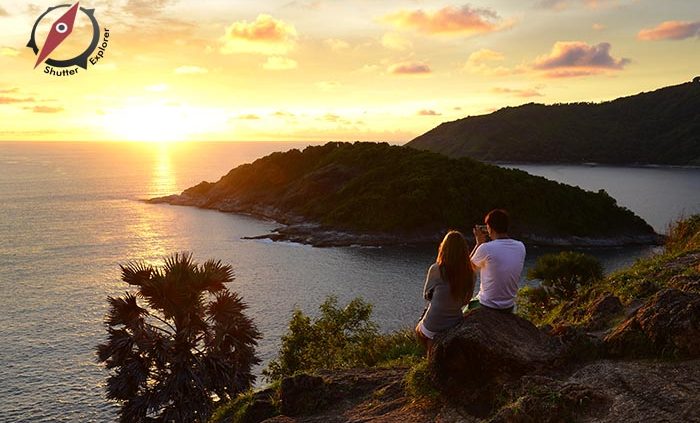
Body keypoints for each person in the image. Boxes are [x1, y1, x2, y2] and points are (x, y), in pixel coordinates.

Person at [416, 231, 475, 353]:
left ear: (444, 248)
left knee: (418, 330)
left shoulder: (436, 269)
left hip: (433, 324)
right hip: (454, 323)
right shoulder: (471, 273)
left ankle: (430, 354)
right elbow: (466, 301)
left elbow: (426, 296)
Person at [468, 209, 526, 313]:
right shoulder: (521, 247)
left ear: (489, 228)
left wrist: (478, 244)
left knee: (463, 313)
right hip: (508, 306)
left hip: (486, 304)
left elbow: (466, 268)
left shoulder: (486, 248)